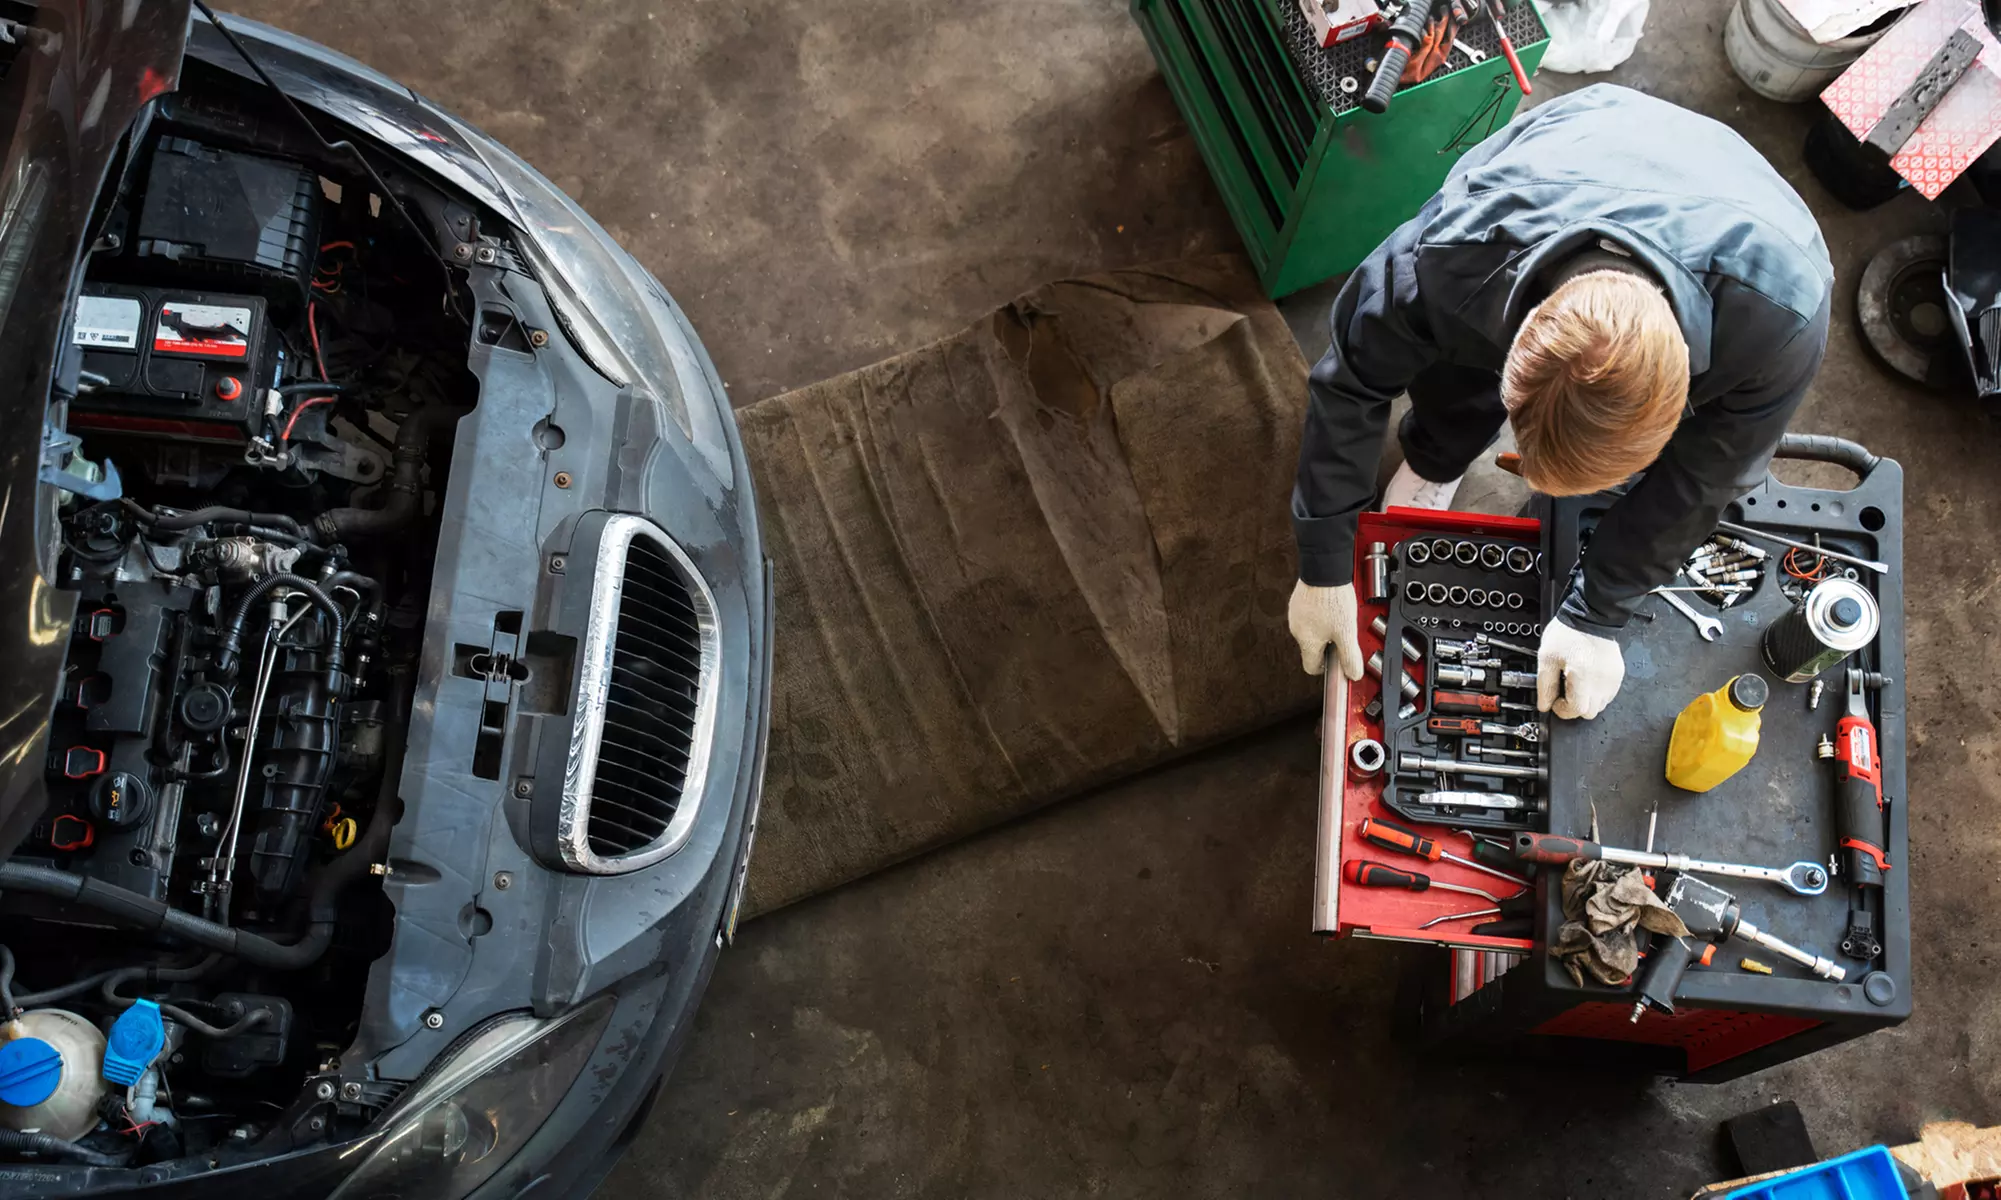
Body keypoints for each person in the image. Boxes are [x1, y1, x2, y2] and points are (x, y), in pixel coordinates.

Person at [1285, 84, 1833, 720]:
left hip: (1750, 218)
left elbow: (1701, 480)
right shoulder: (1451, 254)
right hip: (1586, 139)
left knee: (1714, 476)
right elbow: (1351, 379)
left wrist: (1598, 612)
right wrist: (1324, 558)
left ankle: (1447, 452)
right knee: (1451, 369)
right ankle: (1439, 456)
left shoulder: (1782, 326)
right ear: (1516, 345)